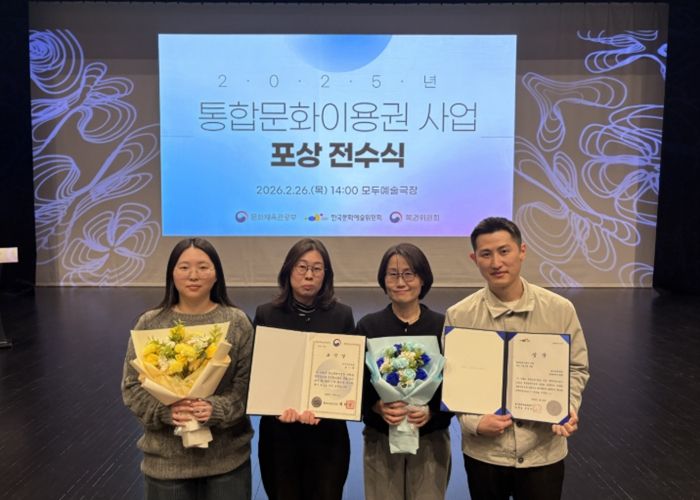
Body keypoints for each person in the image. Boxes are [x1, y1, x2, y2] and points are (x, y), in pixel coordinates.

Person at [445, 217, 590, 500]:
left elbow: (576, 367)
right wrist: (474, 423)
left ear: (522, 251)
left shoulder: (560, 309)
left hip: (542, 451)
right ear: (474, 259)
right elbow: (453, 380)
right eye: (486, 254)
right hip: (485, 453)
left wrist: (567, 407)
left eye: (504, 251)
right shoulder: (460, 315)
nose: (496, 262)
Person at [122, 238, 254, 500]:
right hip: (166, 464)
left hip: (227, 461)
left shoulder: (237, 322)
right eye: (184, 267)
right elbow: (132, 387)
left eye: (203, 267)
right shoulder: (150, 323)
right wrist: (166, 411)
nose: (193, 275)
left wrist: (215, 409)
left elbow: (247, 384)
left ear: (216, 274)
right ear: (172, 273)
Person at [254, 238, 355, 500]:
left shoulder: (342, 316)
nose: (309, 275)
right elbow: (259, 375)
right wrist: (274, 407)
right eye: (302, 267)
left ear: (326, 275)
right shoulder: (266, 315)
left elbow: (349, 376)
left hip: (327, 434)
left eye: (317, 269)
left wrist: (329, 407)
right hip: (279, 435)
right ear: (288, 271)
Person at [357, 243, 452, 500]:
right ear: (384, 280)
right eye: (393, 274)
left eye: (409, 274)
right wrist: (377, 406)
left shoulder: (442, 326)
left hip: (430, 439)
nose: (401, 282)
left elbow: (455, 386)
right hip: (381, 439)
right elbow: (357, 387)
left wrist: (432, 412)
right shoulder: (368, 326)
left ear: (423, 278)